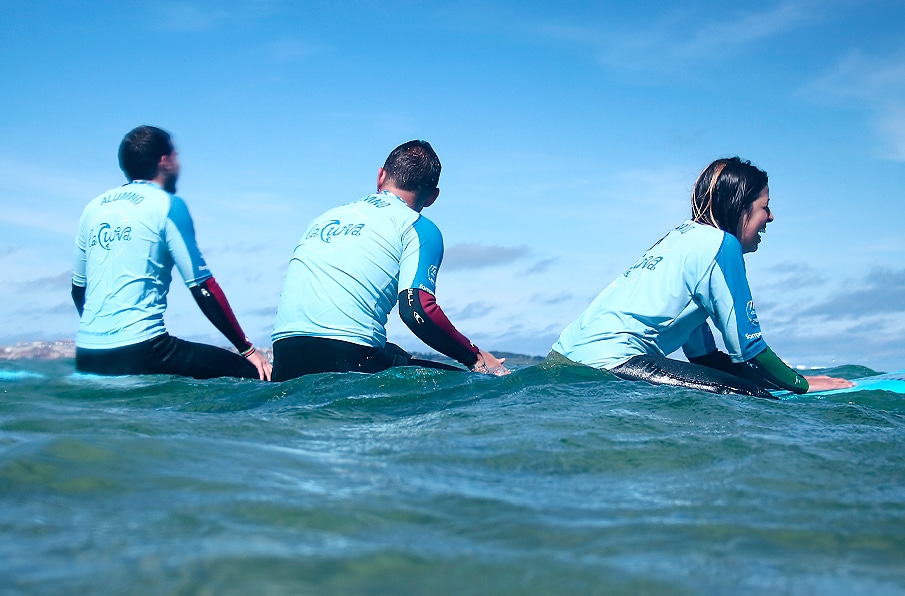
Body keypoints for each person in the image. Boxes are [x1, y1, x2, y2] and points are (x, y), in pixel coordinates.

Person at [551, 157, 851, 398]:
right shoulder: (722, 245)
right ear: (740, 206)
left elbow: (704, 358)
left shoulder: (679, 239)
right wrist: (804, 384)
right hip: (610, 361)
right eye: (765, 206)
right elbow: (750, 351)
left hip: (560, 360)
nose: (771, 217)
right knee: (748, 395)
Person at [271, 140, 510, 381]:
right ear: (432, 198)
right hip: (348, 357)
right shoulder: (417, 227)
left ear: (380, 176)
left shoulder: (324, 218)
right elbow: (417, 310)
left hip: (283, 358)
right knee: (474, 382)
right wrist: (475, 356)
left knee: (394, 352)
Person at [71, 125, 272, 381]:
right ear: (165, 161)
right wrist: (248, 350)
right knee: (250, 373)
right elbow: (203, 287)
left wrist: (103, 337)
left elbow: (78, 289)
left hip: (89, 354)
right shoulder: (166, 205)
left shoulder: (93, 208)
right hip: (143, 350)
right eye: (176, 156)